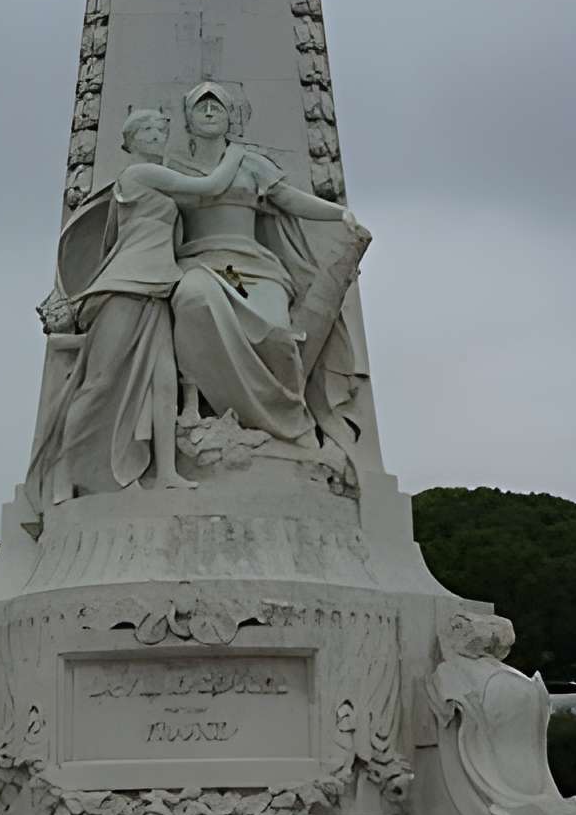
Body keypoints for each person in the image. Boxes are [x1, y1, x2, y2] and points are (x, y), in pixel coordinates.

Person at [27, 111, 244, 503]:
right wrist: (235, 154)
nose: (157, 133)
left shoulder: (153, 186)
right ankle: (64, 475)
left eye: (161, 128)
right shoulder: (137, 176)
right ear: (130, 141)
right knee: (98, 382)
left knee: (164, 383)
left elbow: (119, 237)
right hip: (126, 285)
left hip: (159, 287)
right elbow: (211, 186)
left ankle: (166, 474)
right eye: (146, 129)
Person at [168, 82, 369, 460]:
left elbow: (290, 200)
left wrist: (339, 213)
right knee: (194, 298)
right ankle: (198, 407)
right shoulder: (172, 169)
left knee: (277, 334)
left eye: (217, 108)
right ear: (188, 120)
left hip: (250, 270)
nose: (209, 113)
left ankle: (286, 420)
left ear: (231, 119)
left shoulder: (249, 164)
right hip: (202, 263)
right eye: (200, 108)